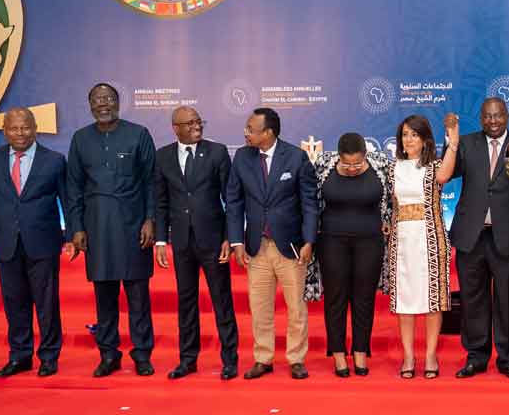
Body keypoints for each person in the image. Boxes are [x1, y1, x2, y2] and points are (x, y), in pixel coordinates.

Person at [0, 107, 70, 377]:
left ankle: (49, 356)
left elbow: (68, 200)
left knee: (46, 303)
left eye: (25, 127)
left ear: (35, 128)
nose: (20, 133)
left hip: (43, 241)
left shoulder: (55, 160)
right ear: (5, 131)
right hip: (6, 242)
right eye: (14, 128)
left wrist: (73, 234)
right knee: (14, 302)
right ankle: (20, 356)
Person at [66, 82, 158, 377]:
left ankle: (142, 354)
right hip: (96, 228)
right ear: (90, 105)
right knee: (103, 296)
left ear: (118, 102)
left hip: (133, 226)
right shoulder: (80, 139)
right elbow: (74, 188)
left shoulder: (138, 134)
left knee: (138, 297)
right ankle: (108, 354)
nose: (103, 104)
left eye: (108, 98)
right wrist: (76, 228)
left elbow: (151, 182)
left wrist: (150, 219)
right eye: (96, 99)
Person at [226, 107, 320, 380]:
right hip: (257, 245)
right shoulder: (242, 157)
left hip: (290, 245)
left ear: (268, 133)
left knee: (296, 308)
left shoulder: (296, 157)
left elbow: (310, 203)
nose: (246, 133)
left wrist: (309, 240)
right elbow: (234, 201)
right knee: (260, 307)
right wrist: (236, 241)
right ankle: (263, 358)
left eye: (251, 129)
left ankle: (296, 358)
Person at [449, 97, 509, 380]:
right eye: (487, 116)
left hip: (507, 235)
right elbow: (448, 172)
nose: (493, 121)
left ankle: (508, 358)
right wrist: (451, 142)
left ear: (507, 116)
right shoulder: (466, 143)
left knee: (506, 300)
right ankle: (476, 356)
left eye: (498, 116)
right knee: (472, 299)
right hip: (471, 235)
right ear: (481, 118)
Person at [153, 106, 239, 380]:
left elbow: (231, 199)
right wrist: (159, 240)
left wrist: (229, 237)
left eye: (198, 121)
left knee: (221, 300)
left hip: (213, 239)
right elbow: (161, 201)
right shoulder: (163, 156)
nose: (196, 126)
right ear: (175, 128)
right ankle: (187, 360)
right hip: (181, 241)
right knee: (185, 301)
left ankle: (230, 361)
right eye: (189, 123)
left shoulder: (217, 152)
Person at [384, 114, 459, 379]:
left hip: (430, 239)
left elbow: (445, 175)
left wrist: (453, 142)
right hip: (401, 240)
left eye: (414, 134)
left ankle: (430, 355)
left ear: (425, 139)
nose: (409, 139)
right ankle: (407, 355)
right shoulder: (392, 168)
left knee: (431, 300)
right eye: (405, 134)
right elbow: (386, 205)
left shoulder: (433, 166)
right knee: (404, 300)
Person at [312, 132, 394, 377]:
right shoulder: (323, 165)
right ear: (338, 157)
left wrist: (388, 222)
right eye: (346, 164)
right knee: (335, 298)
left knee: (363, 298)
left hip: (370, 240)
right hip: (331, 240)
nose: (351, 168)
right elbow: (311, 199)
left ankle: (360, 351)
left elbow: (392, 200)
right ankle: (338, 354)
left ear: (366, 156)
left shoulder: (381, 165)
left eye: (357, 164)